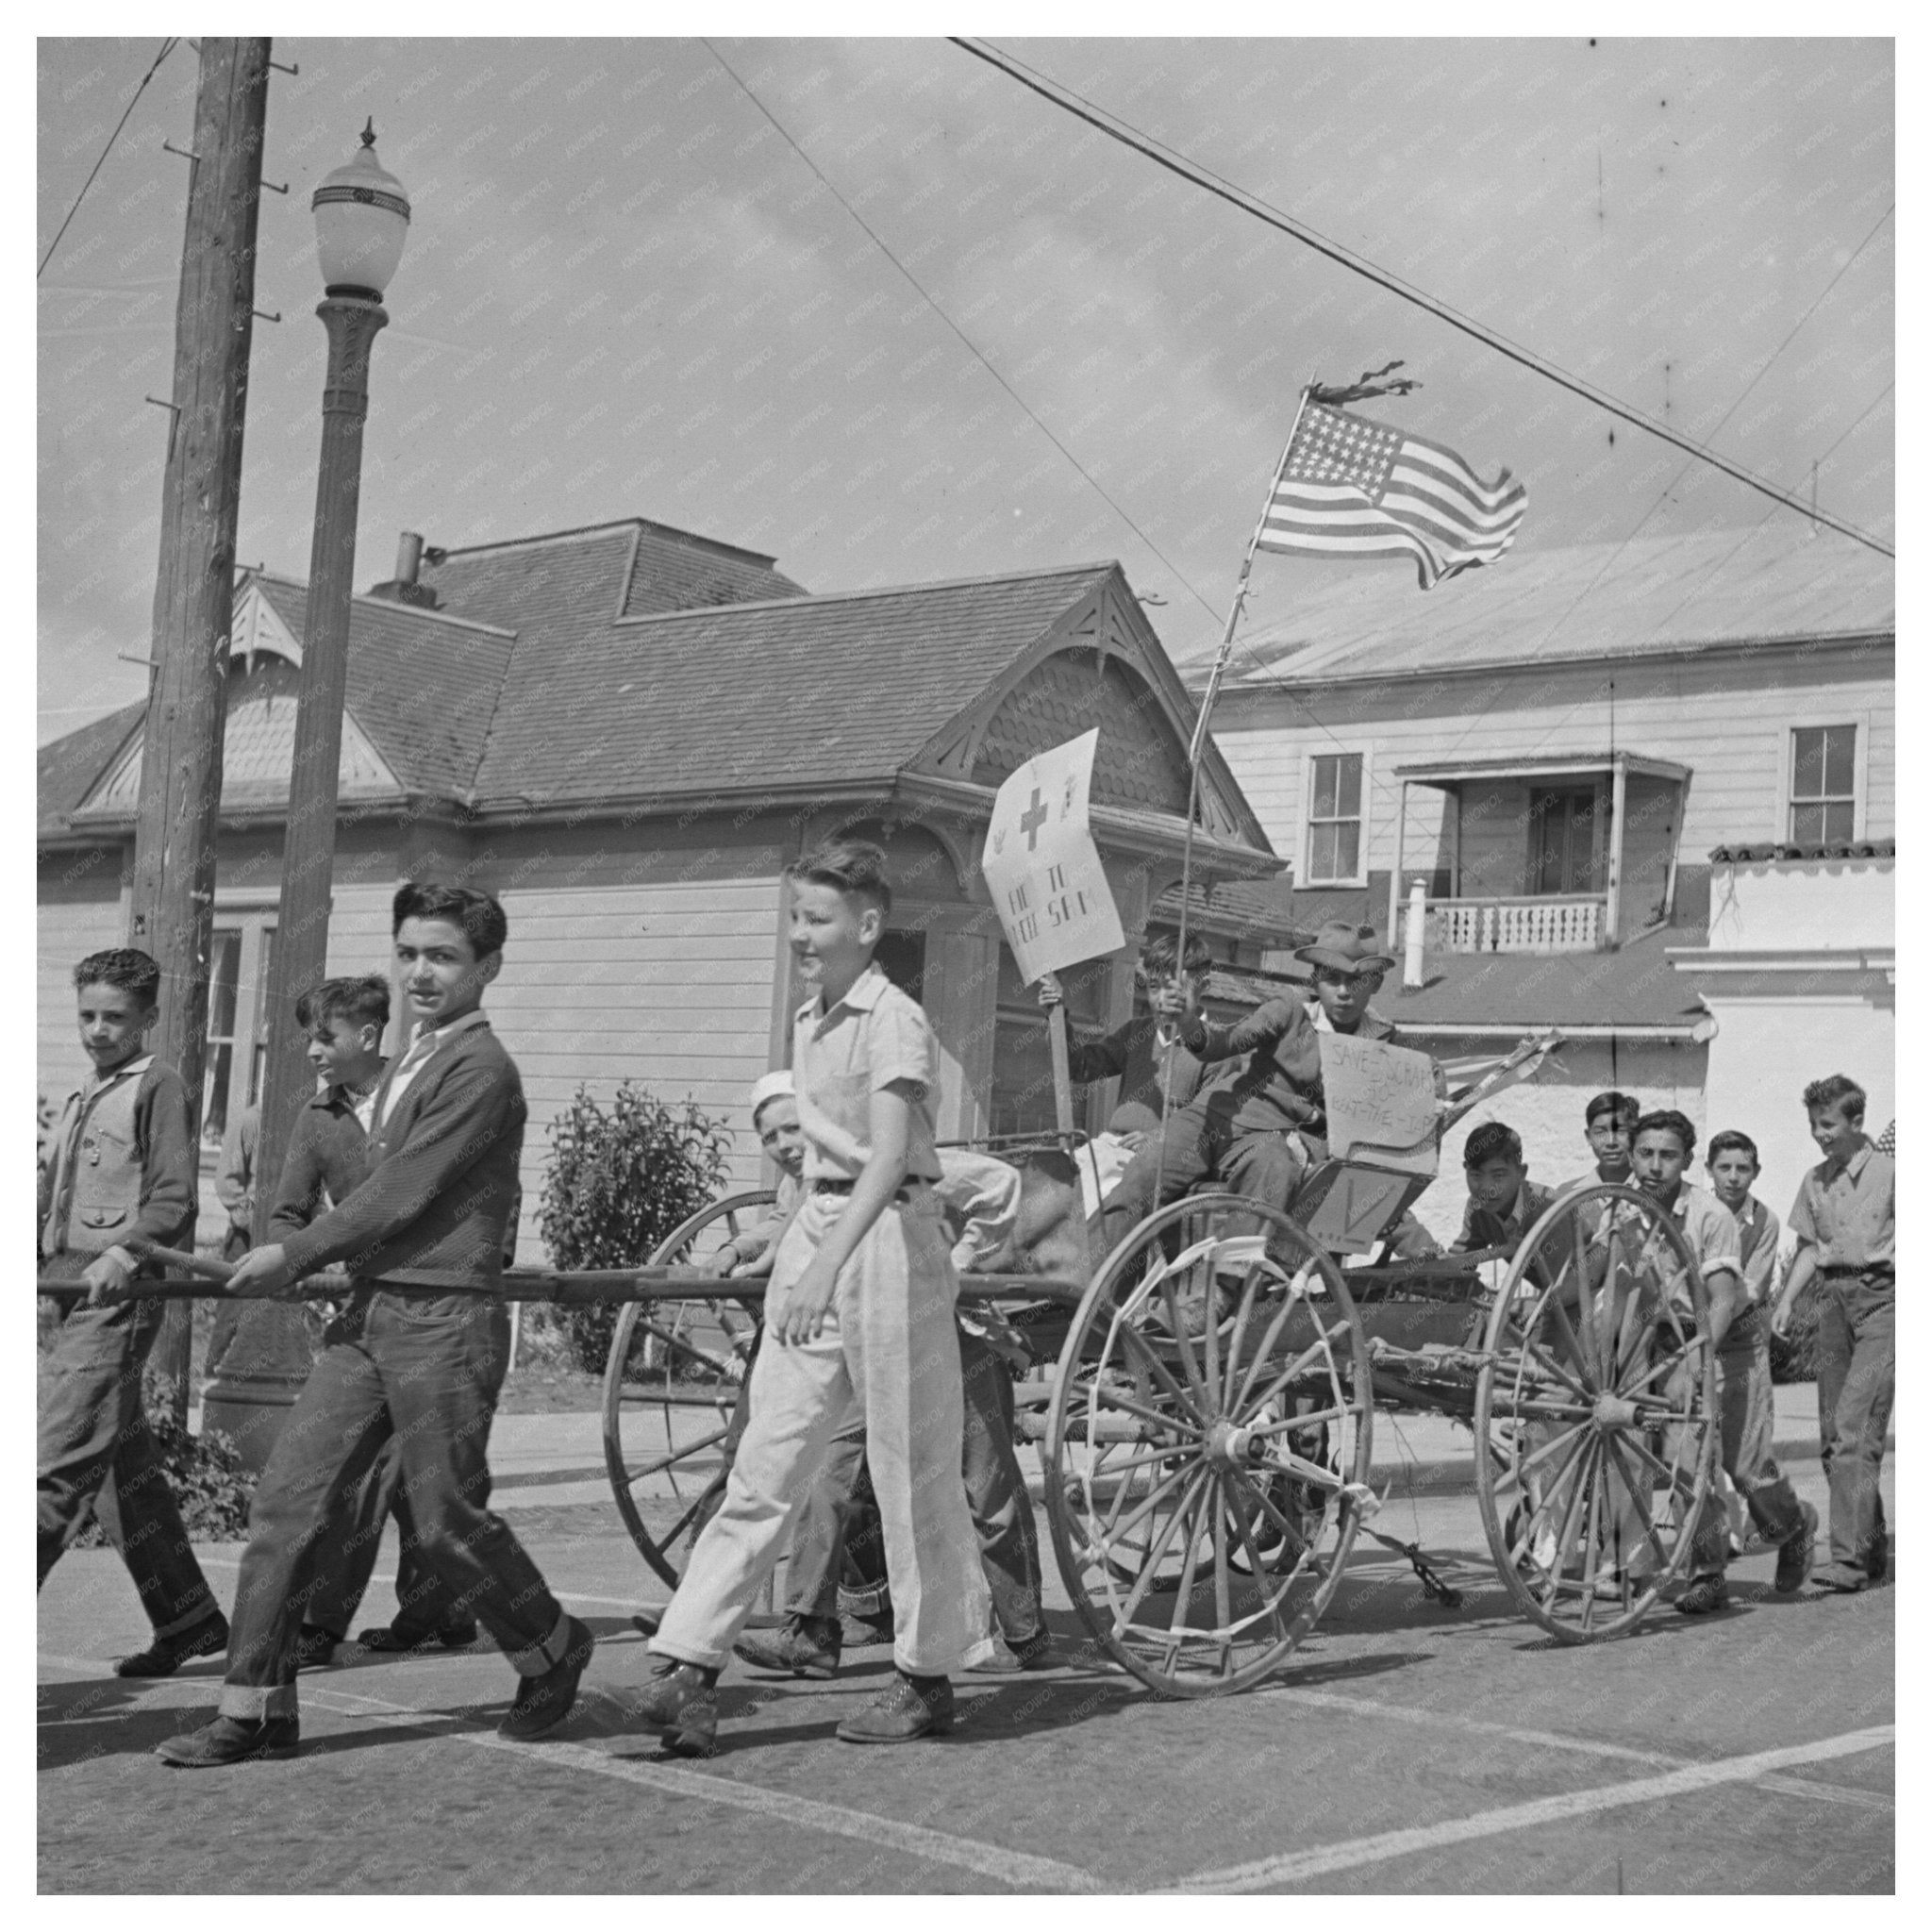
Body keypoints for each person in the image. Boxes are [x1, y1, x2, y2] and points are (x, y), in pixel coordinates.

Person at [157, 883, 592, 1767]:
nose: (420, 973)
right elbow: (353, 1184)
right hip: (370, 1316)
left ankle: (551, 1645)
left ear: (488, 969)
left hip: (446, 1318)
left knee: (444, 1523)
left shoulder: (481, 1069)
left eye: (443, 957)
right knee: (287, 1502)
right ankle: (255, 1707)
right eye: (408, 954)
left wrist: (297, 1254)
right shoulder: (404, 1065)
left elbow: (402, 1191)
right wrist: (298, 1245)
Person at [632, 840, 994, 1756]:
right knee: (767, 1458)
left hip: (888, 1245)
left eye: (818, 918)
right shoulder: (809, 1017)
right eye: (794, 915)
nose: (800, 933)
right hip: (822, 1235)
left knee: (910, 1467)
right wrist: (786, 1233)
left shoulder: (894, 1020)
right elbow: (822, 1158)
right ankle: (689, 1666)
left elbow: (881, 1157)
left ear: (866, 927)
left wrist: (826, 1261)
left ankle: (924, 1674)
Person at [732, 1134, 1052, 1679]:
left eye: (796, 1132)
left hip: (957, 1333)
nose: (788, 1146)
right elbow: (785, 1239)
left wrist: (955, 1265)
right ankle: (810, 1630)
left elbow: (1001, 1184)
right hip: (875, 1339)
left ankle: (1021, 1630)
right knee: (829, 1470)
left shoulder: (910, 1161)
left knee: (984, 1485)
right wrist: (744, 1260)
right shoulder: (816, 1184)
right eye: (771, 1137)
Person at [255, 974, 475, 1669]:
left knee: (425, 1466)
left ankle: (439, 1610)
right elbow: (287, 1213)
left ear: (370, 1037)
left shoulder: (426, 1098)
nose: (314, 1052)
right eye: (308, 1039)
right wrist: (295, 1263)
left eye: (325, 1037)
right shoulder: (318, 1119)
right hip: (363, 1307)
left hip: (441, 1303)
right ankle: (324, 1620)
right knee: (350, 1465)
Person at [38, 948, 227, 1676]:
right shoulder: (92, 1088)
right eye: (86, 1014)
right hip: (65, 1288)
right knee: (125, 1472)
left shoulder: (160, 1086)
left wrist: (128, 1252)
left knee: (51, 1469)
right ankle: (189, 1618)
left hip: (116, 1296)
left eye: (115, 1017)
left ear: (148, 1018)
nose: (97, 1029)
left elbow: (175, 1198)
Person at [1101, 921, 1406, 1256]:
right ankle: (1083, 1280)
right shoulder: (1288, 1009)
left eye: (1357, 980)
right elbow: (1226, 1042)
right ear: (1316, 980)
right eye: (1333, 979)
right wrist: (1188, 1022)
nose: (1344, 991)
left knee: (1273, 1171)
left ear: (1375, 983)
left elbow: (1381, 1121)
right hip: (1213, 1118)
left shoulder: (1383, 1041)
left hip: (1272, 1141)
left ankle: (1220, 1292)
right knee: (1143, 1176)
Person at [1772, 1074, 1893, 1592]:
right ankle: (1870, 1548)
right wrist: (1784, 1302)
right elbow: (1806, 1246)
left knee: (1854, 1432)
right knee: (1833, 1439)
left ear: (1856, 1122)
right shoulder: (1815, 1180)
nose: (1819, 1135)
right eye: (1813, 1125)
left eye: (1828, 1125)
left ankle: (1846, 1562)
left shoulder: (1895, 1173)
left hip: (1884, 1302)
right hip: (1832, 1306)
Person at [1627, 1110, 1750, 1615]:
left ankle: (1708, 1572)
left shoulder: (1709, 1216)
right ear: (1633, 1156)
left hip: (1695, 1339)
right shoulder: (1621, 1210)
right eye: (1647, 1154)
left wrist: (1691, 1361)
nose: (1655, 1166)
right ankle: (1631, 1566)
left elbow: (1721, 1300)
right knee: (1626, 1452)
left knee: (1687, 1461)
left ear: (1687, 1160)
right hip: (1638, 1344)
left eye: (1668, 1156)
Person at [1038, 930, 1211, 1143]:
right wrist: (1057, 1018)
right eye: (1154, 987)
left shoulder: (1217, 1048)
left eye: (1174, 988)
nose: (1162, 999)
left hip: (1164, 1164)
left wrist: (1156, 1141)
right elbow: (1079, 1067)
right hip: (1115, 1146)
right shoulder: (1136, 1033)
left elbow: (1211, 1131)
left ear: (1203, 986)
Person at [1452, 1122, 1558, 1255]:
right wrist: (1433, 1262)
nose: (1486, 1188)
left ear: (1521, 1172)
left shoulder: (1550, 1207)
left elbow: (1572, 1273)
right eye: (1476, 1175)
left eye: (1498, 1175)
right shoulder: (1477, 1207)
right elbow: (1461, 1262)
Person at [213, 1103, 259, 1262]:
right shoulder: (250, 1121)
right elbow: (227, 1182)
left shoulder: (302, 1122)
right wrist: (251, 1220)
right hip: (246, 1236)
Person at [1574, 1091, 1641, 1189]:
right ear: (1588, 1137)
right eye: (1600, 1132)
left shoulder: (1658, 1193)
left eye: (1621, 1131)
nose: (1611, 1142)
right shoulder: (1569, 1195)